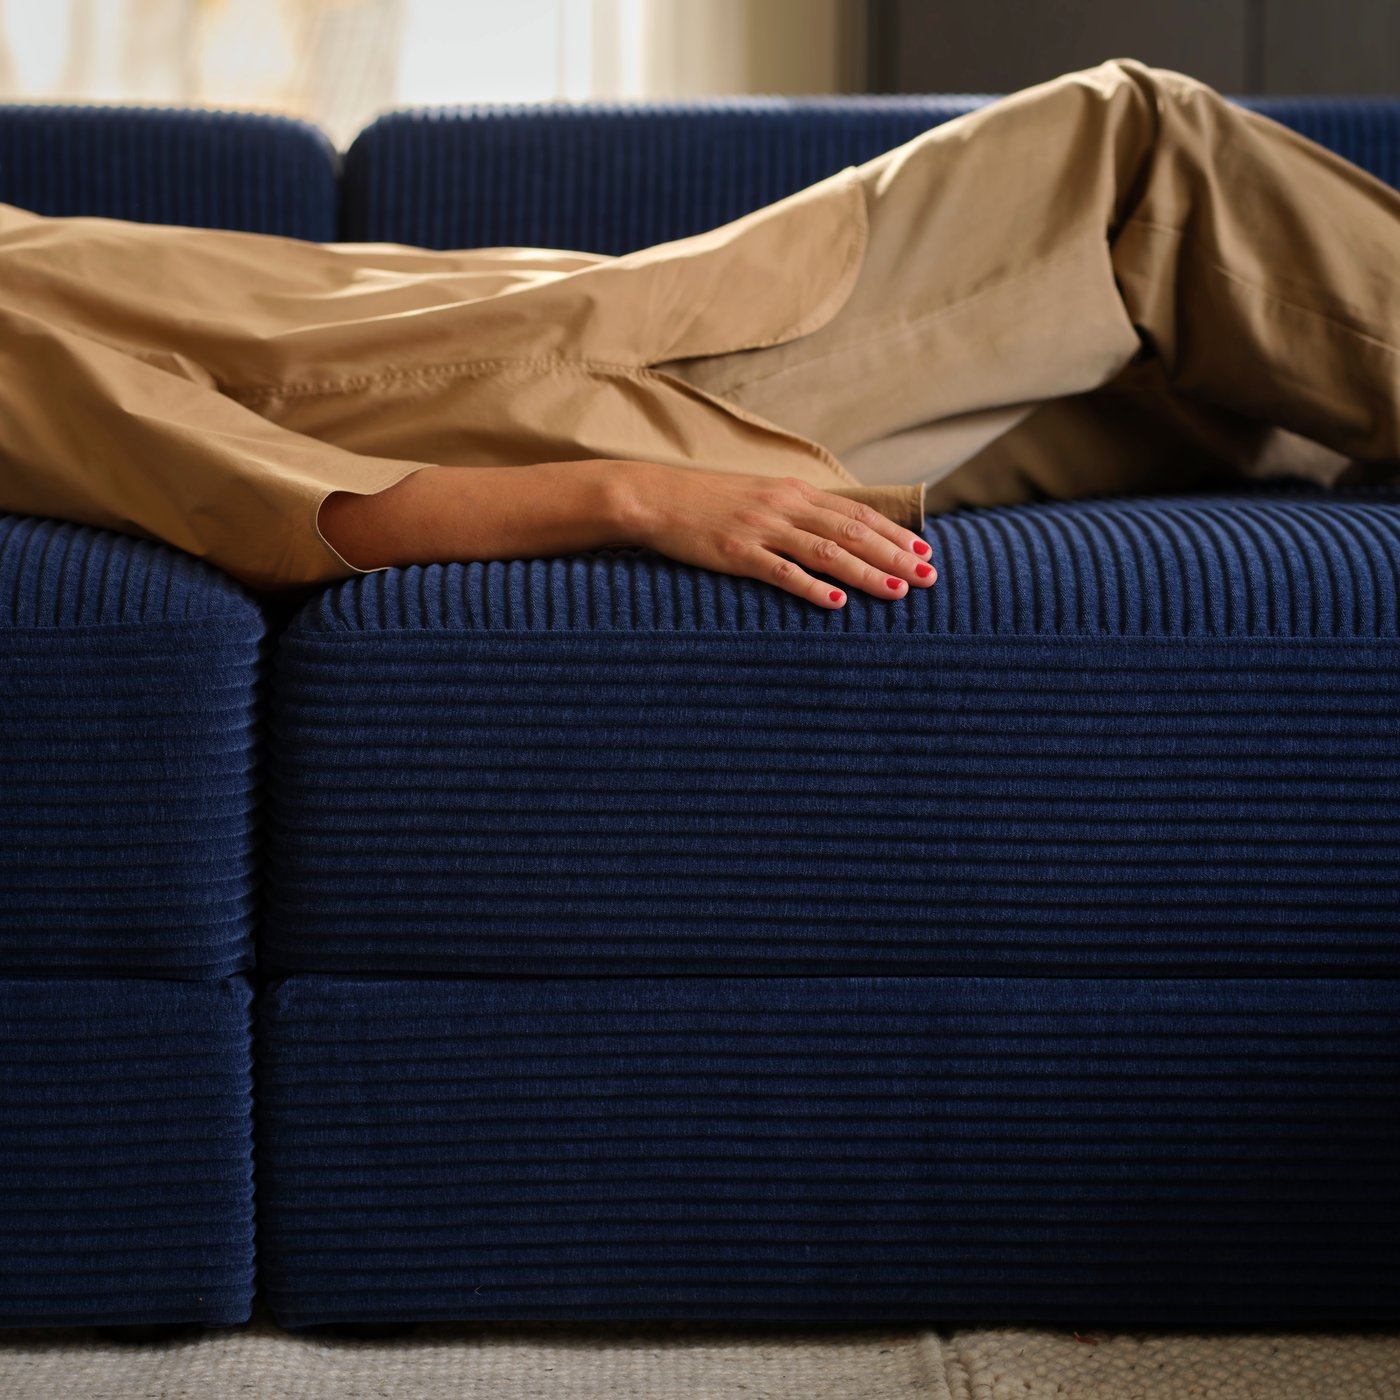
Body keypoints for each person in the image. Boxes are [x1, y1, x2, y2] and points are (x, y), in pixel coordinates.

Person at [0, 56, 1396, 609]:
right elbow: (279, 510)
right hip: (621, 382)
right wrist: (641, 498)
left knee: (1210, 373)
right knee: (1136, 148)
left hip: (599, 344)